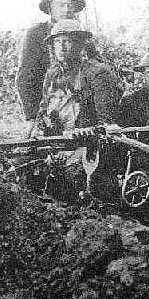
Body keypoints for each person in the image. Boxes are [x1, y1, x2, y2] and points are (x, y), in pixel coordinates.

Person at [32, 19, 121, 200]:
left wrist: (85, 135)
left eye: (68, 41)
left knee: (74, 179)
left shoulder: (97, 73)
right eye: (57, 42)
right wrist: (38, 130)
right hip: (55, 142)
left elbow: (107, 122)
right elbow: (43, 111)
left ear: (80, 44)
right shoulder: (52, 75)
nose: (62, 47)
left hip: (87, 147)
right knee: (24, 167)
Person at [17, 0, 86, 132]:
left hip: (76, 103)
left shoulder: (81, 35)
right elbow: (26, 77)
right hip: (47, 102)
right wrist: (31, 116)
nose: (66, 9)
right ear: (50, 8)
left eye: (70, 5)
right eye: (61, 5)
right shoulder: (36, 34)